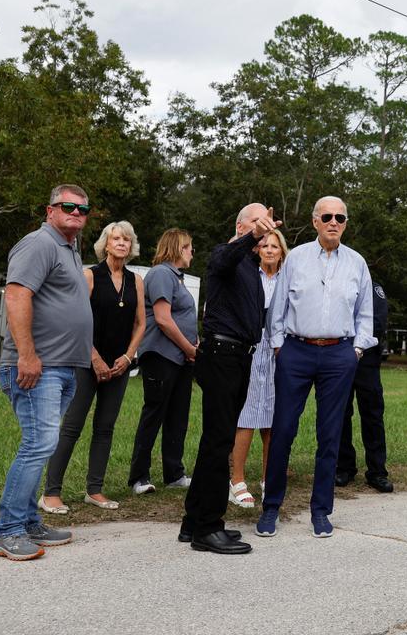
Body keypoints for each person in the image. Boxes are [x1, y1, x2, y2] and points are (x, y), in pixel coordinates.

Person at [259, 196, 374, 539]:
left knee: (330, 436)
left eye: (340, 217)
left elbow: (365, 313)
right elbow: (277, 308)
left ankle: (321, 510)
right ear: (315, 222)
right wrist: (279, 346)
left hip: (338, 355)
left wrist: (356, 349)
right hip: (296, 352)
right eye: (327, 216)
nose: (334, 222)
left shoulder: (356, 263)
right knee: (283, 430)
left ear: (346, 223)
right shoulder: (295, 258)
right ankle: (271, 508)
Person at [0, 184, 94, 561]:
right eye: (68, 207)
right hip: (38, 367)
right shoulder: (39, 243)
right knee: (38, 444)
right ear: (50, 209)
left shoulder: (68, 247)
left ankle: (30, 521)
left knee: (43, 444)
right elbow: (17, 296)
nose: (77, 213)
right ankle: (8, 530)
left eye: (83, 210)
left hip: (63, 367)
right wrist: (28, 355)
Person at [181, 204, 282, 555]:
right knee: (219, 442)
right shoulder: (226, 255)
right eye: (255, 223)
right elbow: (222, 259)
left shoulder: (251, 265)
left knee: (216, 438)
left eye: (265, 224)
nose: (263, 228)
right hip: (222, 355)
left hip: (241, 357)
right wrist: (252, 235)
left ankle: (193, 521)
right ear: (240, 226)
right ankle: (208, 528)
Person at [41, 221, 145, 516]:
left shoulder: (137, 281)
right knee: (72, 427)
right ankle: (50, 493)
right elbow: (76, 321)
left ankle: (94, 490)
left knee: (105, 428)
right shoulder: (89, 275)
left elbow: (141, 324)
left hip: (119, 366)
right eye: (116, 239)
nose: (122, 243)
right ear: (106, 244)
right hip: (86, 363)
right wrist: (95, 359)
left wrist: (127, 357)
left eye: (127, 239)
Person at [128, 228, 198, 496]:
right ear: (179, 248)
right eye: (189, 246)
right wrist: (188, 347)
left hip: (181, 358)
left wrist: (194, 345)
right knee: (154, 413)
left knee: (178, 417)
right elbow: (163, 319)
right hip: (161, 355)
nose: (192, 252)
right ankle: (139, 477)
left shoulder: (178, 278)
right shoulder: (160, 274)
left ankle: (174, 473)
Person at [229, 229, 290, 508]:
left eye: (274, 246)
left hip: (280, 351)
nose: (268, 250)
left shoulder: (288, 279)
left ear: (281, 251)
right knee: (247, 413)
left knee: (274, 418)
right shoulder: (249, 275)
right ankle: (237, 480)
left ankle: (269, 479)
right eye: (264, 245)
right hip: (251, 350)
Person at [336, 278, 393, 493]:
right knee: (340, 414)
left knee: (372, 415)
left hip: (366, 360)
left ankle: (377, 472)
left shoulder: (373, 287)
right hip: (339, 357)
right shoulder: (338, 285)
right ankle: (344, 468)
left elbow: (378, 324)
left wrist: (358, 346)